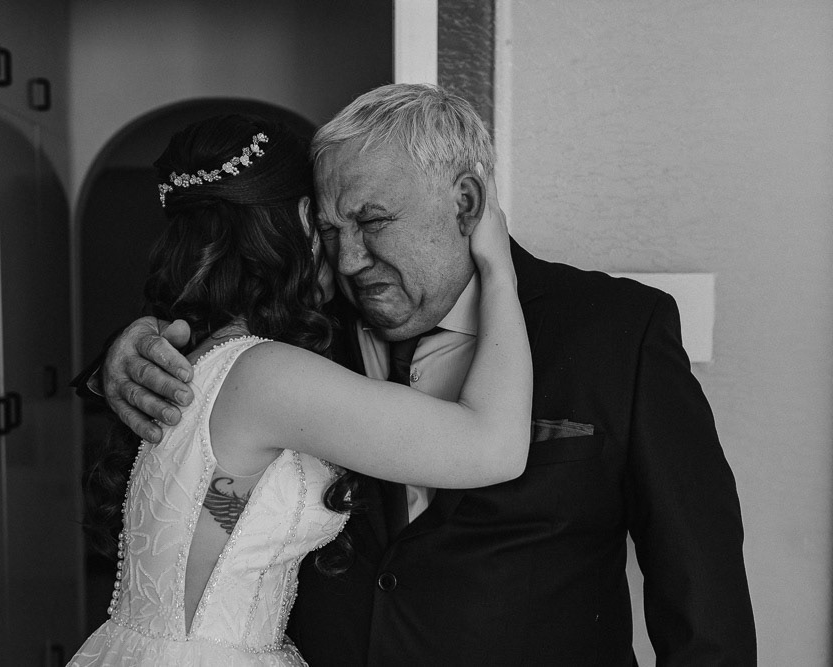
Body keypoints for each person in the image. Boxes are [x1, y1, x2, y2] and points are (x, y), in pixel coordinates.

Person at [92, 84, 757, 665]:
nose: (348, 260)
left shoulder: (616, 331)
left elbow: (702, 588)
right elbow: (215, 396)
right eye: (329, 230)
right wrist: (121, 353)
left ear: (465, 204)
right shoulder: (302, 332)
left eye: (372, 221)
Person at [69, 113, 532, 666]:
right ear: (304, 220)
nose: (347, 254)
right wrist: (498, 269)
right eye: (331, 227)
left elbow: (219, 514)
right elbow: (494, 447)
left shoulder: (203, 357)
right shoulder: (265, 376)